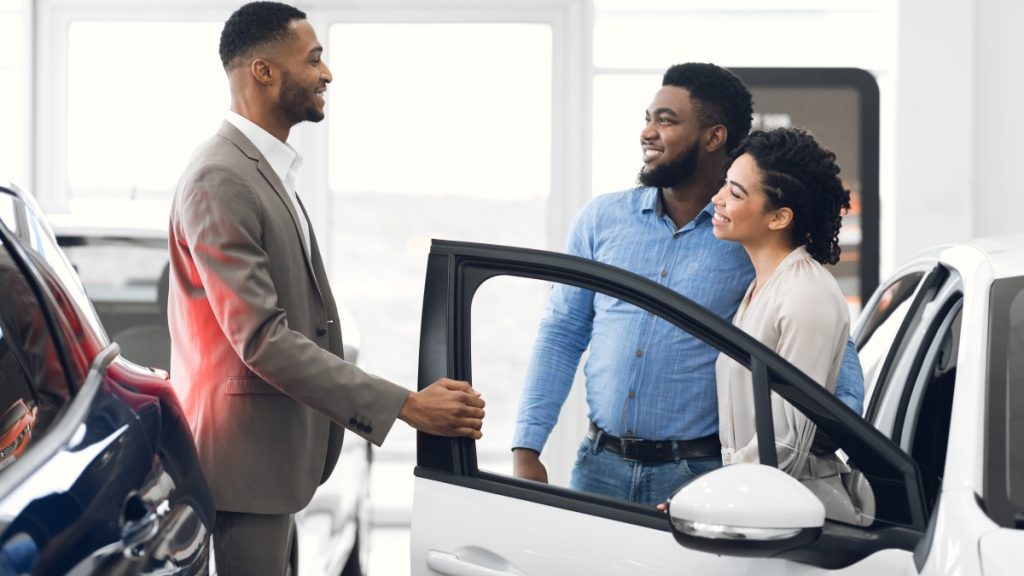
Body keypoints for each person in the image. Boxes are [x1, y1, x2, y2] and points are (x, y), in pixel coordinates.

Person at [167, 3, 485, 574]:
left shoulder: (263, 172)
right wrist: (407, 406)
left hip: (271, 471)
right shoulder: (221, 176)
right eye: (313, 59)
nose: (327, 74)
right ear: (263, 72)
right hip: (243, 472)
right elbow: (263, 339)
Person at [512, 63, 863, 506]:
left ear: (714, 137)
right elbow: (561, 333)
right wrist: (527, 449)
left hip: (700, 474)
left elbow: (831, 359)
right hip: (598, 466)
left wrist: (823, 450)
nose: (647, 132)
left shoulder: (749, 236)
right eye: (647, 118)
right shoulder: (600, 220)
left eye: (665, 120)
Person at [711, 127, 868, 524]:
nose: (718, 199)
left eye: (735, 192)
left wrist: (718, 499)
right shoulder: (764, 285)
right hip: (761, 504)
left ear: (779, 217)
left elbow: (783, 443)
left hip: (799, 518)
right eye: (724, 186)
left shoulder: (805, 293)